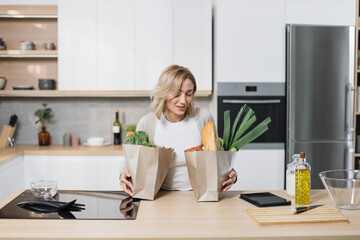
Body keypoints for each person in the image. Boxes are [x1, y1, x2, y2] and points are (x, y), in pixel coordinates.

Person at [120, 64, 237, 196]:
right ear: (164, 93)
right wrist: (123, 174)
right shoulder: (148, 123)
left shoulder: (203, 118)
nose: (183, 101)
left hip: (200, 195)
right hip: (159, 195)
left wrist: (232, 175)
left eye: (188, 94)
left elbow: (217, 158)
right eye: (177, 94)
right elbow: (132, 162)